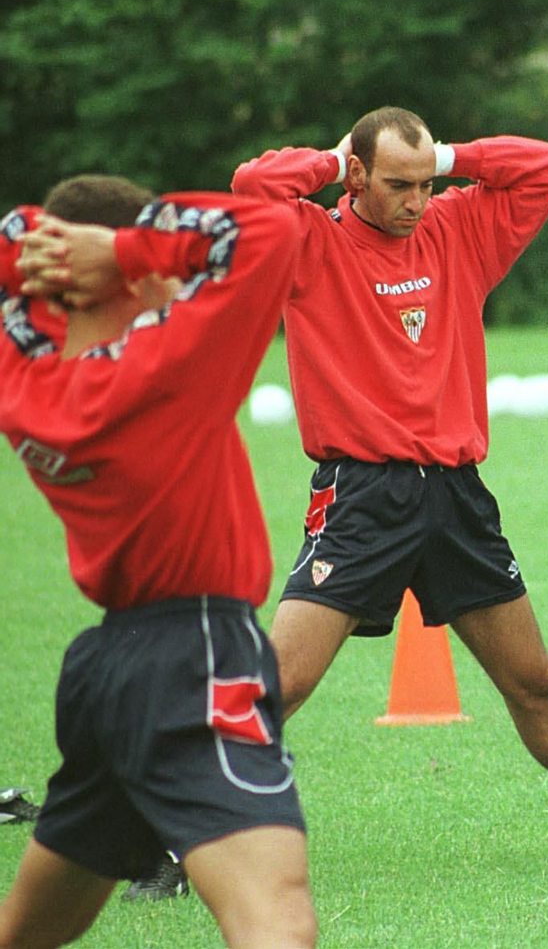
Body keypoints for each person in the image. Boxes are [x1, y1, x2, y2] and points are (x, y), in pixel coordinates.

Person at [229, 107, 548, 854]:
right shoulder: (310, 239)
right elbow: (251, 185)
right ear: (356, 174)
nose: (416, 201)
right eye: (397, 184)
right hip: (362, 496)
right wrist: (331, 163)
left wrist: (448, 156)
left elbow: (545, 163)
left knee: (534, 677)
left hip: (455, 495)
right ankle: (168, 838)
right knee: (281, 684)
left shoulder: (458, 229)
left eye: (427, 184)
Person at [0, 176, 316, 948]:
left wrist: (45, 251)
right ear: (130, 277)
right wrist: (126, 246)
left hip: (105, 672)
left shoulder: (25, 380)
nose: (181, 282)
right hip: (199, 659)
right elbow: (271, 231)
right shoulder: (170, 365)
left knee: (31, 930)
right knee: (279, 922)